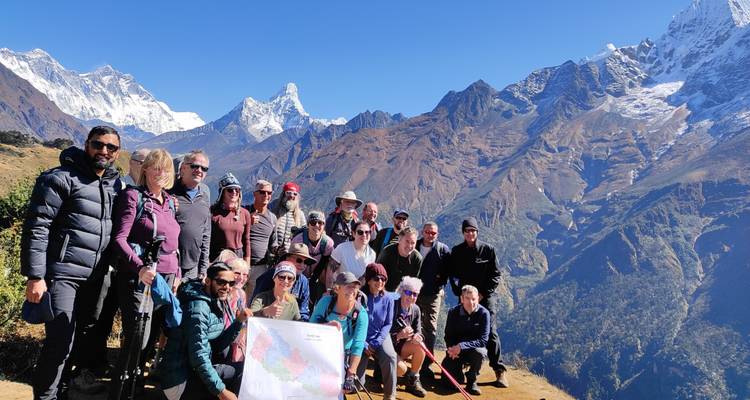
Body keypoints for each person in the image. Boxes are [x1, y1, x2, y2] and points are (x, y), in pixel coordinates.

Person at [21, 126, 121, 400]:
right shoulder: (60, 179)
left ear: (117, 153)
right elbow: (37, 228)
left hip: (96, 275)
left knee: (80, 339)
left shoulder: (113, 184)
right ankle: (46, 397)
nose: (103, 151)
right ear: (86, 145)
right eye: (98, 144)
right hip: (62, 273)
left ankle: (64, 390)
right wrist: (35, 276)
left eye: (110, 147)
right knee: (60, 341)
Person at [109, 148, 182, 399]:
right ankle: (120, 392)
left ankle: (136, 389)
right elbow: (119, 239)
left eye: (165, 168)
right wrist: (139, 266)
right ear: (145, 170)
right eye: (155, 166)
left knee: (151, 341)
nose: (161, 172)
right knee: (137, 340)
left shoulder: (170, 202)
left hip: (168, 279)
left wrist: (178, 272)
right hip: (141, 279)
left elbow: (174, 244)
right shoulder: (133, 197)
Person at [160, 262, 250, 400]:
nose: (227, 287)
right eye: (221, 282)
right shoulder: (198, 308)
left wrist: (238, 321)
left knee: (243, 371)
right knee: (234, 381)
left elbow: (218, 345)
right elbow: (199, 356)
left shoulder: (214, 299)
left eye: (231, 284)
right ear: (208, 281)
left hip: (193, 371)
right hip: (179, 380)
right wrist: (221, 391)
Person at [447, 217, 508, 388]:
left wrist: (482, 294)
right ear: (463, 233)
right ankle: (459, 361)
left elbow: (496, 275)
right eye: (467, 231)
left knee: (491, 332)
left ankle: (499, 370)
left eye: (473, 230)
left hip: (485, 298)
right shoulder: (457, 251)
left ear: (477, 232)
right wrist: (459, 293)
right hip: (465, 297)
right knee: (459, 327)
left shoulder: (488, 250)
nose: (470, 233)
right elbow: (453, 275)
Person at [310, 272, 369, 395]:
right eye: (348, 286)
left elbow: (358, 345)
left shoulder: (361, 314)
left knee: (339, 390)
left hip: (344, 355)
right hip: (320, 350)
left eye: (355, 286)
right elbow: (310, 328)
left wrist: (350, 375)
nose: (352, 290)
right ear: (337, 289)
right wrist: (326, 328)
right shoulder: (325, 302)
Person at [414, 221, 451, 379]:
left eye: (433, 233)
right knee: (412, 325)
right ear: (422, 231)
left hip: (433, 294)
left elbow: (448, 270)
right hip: (413, 294)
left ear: (437, 234)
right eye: (427, 232)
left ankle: (427, 363)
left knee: (430, 328)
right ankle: (413, 357)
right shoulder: (413, 245)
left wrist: (441, 285)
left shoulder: (442, 250)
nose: (430, 235)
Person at [356, 263, 397, 400]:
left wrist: (377, 342)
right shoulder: (359, 298)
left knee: (390, 356)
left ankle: (389, 394)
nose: (380, 282)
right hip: (361, 339)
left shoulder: (389, 299)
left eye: (383, 279)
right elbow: (354, 322)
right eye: (376, 278)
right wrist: (364, 344)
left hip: (380, 336)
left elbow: (388, 323)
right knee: (357, 384)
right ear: (368, 280)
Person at [441, 285, 491, 396]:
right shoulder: (453, 312)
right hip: (455, 351)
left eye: (473, 299)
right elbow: (448, 335)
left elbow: (483, 340)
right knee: (449, 384)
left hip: (472, 350)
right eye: (467, 298)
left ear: (478, 299)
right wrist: (452, 349)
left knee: (481, 352)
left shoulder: (484, 314)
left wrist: (461, 346)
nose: (471, 302)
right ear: (462, 299)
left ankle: (472, 379)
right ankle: (457, 371)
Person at [170, 150, 211, 280]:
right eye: (194, 166)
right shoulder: (168, 194)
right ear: (183, 168)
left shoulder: (204, 197)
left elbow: (206, 234)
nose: (199, 170)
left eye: (204, 168)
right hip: (168, 265)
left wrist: (203, 268)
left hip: (192, 268)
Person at [250, 243, 314, 321]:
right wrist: (265, 312)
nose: (302, 265)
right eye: (299, 260)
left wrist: (302, 324)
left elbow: (303, 312)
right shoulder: (268, 277)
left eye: (306, 262)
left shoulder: (304, 282)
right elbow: (252, 310)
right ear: (287, 258)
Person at [390, 276, 427, 397]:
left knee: (421, 347)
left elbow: (419, 331)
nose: (411, 297)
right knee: (401, 369)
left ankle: (412, 380)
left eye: (415, 294)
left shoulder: (416, 309)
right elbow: (381, 335)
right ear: (401, 291)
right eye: (408, 292)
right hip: (387, 347)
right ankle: (383, 372)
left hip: (401, 347)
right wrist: (399, 335)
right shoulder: (391, 306)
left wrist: (418, 337)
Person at [290, 210, 334, 305]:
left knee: (311, 302)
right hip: (297, 274)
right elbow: (291, 261)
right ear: (308, 224)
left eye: (320, 223)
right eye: (313, 223)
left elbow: (324, 264)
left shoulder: (328, 244)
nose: (317, 225)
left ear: (324, 226)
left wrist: (313, 280)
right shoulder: (298, 239)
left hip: (316, 276)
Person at [244, 179, 278, 297]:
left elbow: (273, 243)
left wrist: (278, 250)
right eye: (262, 192)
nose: (266, 195)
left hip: (260, 267)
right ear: (255, 194)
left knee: (253, 301)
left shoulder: (272, 218)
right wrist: (247, 221)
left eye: (269, 193)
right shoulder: (244, 212)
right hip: (241, 264)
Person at [210, 172, 252, 264]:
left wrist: (247, 263)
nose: (234, 192)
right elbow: (207, 239)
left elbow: (246, 240)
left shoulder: (244, 213)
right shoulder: (213, 213)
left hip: (238, 258)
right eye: (230, 190)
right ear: (222, 192)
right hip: (218, 258)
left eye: (237, 190)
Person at [327, 221, 376, 288]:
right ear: (353, 234)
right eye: (360, 232)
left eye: (367, 232)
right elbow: (330, 273)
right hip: (338, 288)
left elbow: (364, 278)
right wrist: (329, 290)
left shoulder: (372, 254)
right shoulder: (342, 248)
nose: (364, 235)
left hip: (354, 290)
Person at [376, 226, 422, 292]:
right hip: (383, 290)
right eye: (407, 241)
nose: (409, 246)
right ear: (399, 240)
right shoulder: (387, 252)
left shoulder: (417, 258)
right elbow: (377, 274)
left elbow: (413, 282)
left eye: (413, 243)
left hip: (403, 293)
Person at [270, 181, 306, 253]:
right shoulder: (273, 208)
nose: (291, 196)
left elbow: (304, 234)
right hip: (271, 253)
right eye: (288, 193)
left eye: (295, 194)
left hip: (290, 253)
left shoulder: (300, 215)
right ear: (283, 194)